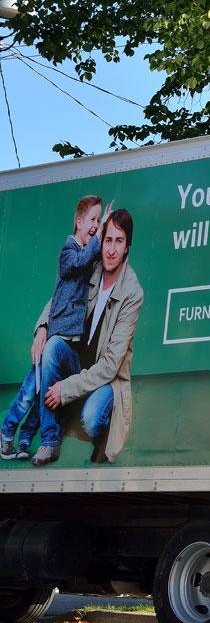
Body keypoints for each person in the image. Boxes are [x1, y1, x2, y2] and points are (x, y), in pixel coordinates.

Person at [31, 208, 143, 466]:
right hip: (77, 367)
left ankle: (102, 434)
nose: (111, 249)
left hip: (106, 381)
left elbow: (110, 365)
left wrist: (65, 389)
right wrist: (42, 327)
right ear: (101, 241)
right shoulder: (91, 266)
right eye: (107, 240)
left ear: (127, 247)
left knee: (92, 418)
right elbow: (61, 298)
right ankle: (50, 440)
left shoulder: (132, 292)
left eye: (119, 241)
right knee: (53, 347)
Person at [1, 195, 108, 461]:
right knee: (30, 392)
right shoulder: (69, 250)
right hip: (59, 336)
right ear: (78, 221)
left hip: (68, 348)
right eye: (93, 220)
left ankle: (25, 438)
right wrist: (43, 326)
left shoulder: (91, 259)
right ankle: (8, 432)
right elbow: (61, 293)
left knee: (43, 390)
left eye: (99, 220)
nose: (96, 226)